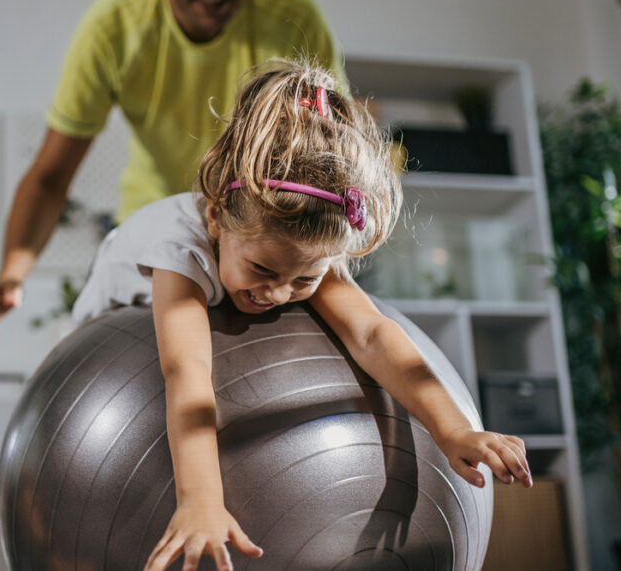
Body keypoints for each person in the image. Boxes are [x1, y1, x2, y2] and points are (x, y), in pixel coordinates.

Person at [67, 61, 534, 571]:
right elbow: (189, 373)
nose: (280, 292)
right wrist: (201, 498)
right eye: (262, 268)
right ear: (215, 218)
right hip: (110, 328)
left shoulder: (303, 247)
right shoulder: (181, 252)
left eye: (304, 280)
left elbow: (373, 333)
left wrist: (452, 430)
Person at [0, 0, 348, 358]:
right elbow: (51, 177)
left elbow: (336, 158)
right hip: (157, 234)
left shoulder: (295, 19)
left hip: (267, 238)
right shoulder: (115, 27)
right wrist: (11, 276)